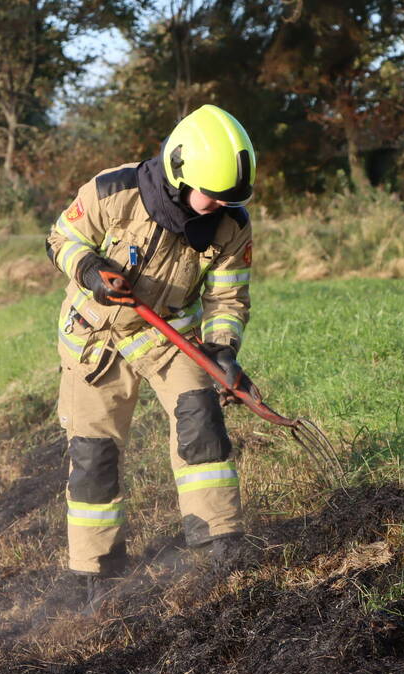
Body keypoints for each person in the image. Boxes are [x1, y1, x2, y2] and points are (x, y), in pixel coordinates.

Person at [45, 104, 255, 611]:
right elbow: (60, 238)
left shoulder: (231, 224)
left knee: (201, 421)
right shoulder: (112, 191)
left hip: (168, 338)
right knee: (94, 456)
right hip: (95, 340)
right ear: (180, 172)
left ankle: (218, 544)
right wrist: (91, 270)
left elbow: (227, 298)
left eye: (230, 198)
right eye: (212, 194)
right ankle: (96, 571)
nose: (220, 205)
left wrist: (223, 350)